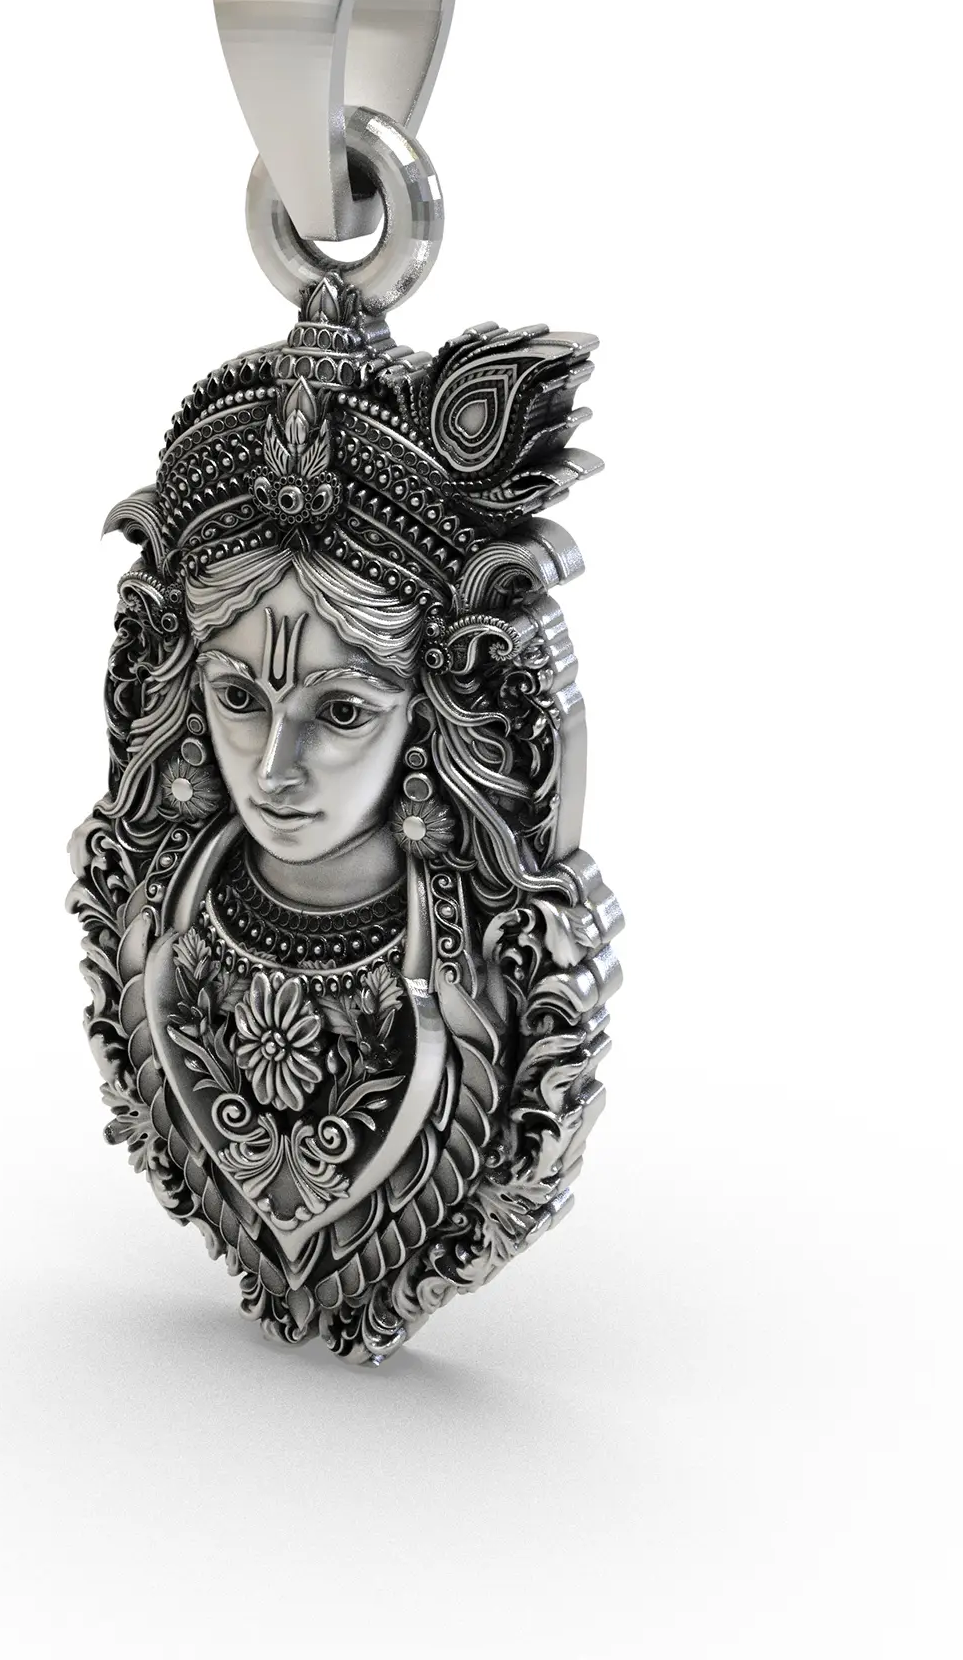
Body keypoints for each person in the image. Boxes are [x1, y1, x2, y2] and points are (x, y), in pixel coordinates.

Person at [69, 278, 621, 1361]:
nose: (275, 770)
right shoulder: (158, 915)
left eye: (340, 711)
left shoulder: (477, 959)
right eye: (239, 697)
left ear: (427, 710)